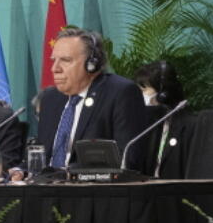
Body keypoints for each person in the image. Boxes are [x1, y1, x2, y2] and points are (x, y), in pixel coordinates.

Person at [36, 27, 148, 169]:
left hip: (91, 187)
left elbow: (127, 158)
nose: (54, 68)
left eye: (65, 60)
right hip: (45, 186)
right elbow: (41, 155)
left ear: (91, 64)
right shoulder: (51, 98)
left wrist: (67, 173)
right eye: (53, 60)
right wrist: (20, 170)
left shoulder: (120, 92)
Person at [133, 60, 191, 178]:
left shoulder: (187, 125)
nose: (139, 95)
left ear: (163, 94)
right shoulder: (144, 123)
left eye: (143, 90)